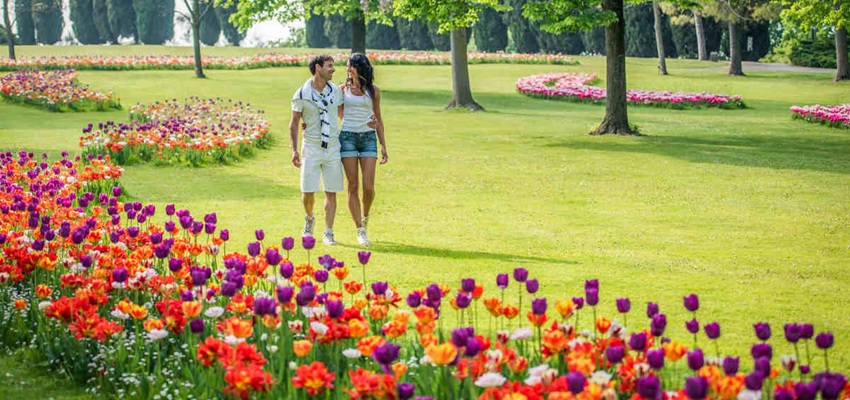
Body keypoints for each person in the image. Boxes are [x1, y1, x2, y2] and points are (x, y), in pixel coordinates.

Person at [290, 54, 344, 245]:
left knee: (331, 190)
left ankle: (328, 232)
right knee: (308, 192)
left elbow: (342, 114)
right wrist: (294, 151)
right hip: (311, 148)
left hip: (332, 148)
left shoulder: (335, 91)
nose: (333, 69)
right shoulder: (302, 95)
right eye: (330, 66)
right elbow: (294, 124)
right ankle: (309, 219)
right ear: (318, 68)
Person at [338, 53, 388, 247]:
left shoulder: (373, 91)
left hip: (368, 138)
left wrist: (383, 144)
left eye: (350, 65)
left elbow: (379, 118)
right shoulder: (342, 90)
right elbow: (338, 111)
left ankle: (365, 216)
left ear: (359, 67)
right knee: (352, 186)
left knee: (368, 188)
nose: (347, 69)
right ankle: (360, 229)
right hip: (348, 138)